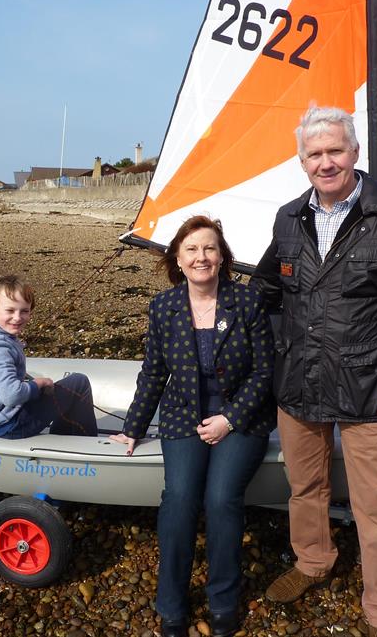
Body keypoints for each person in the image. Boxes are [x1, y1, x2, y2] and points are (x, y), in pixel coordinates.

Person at [251, 106, 377, 637]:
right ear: (301, 160)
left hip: (372, 388)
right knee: (304, 487)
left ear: (355, 152)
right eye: (314, 154)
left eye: (335, 150)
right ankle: (313, 561)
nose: (326, 162)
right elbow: (266, 289)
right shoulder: (288, 218)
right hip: (298, 383)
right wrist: (257, 344)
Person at [110, 216, 275, 637]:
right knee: (180, 499)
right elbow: (153, 373)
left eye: (209, 249)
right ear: (177, 259)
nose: (201, 257)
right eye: (192, 250)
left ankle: (223, 600)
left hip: (241, 417)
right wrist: (133, 427)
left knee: (221, 499)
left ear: (222, 257)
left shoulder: (248, 302)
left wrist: (230, 419)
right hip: (183, 415)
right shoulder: (163, 307)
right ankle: (172, 607)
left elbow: (264, 373)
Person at [0, 274, 97, 439]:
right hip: (10, 424)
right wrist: (37, 384)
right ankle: (88, 442)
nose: (17, 317)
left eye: (24, 311)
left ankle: (63, 436)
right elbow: (11, 395)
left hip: (2, 418)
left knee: (65, 389)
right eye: (10, 310)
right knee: (79, 382)